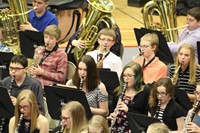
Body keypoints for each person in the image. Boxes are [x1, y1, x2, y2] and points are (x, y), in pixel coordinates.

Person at [107, 62, 150, 132]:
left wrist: (128, 110)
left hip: (133, 129)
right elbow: (112, 110)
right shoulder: (118, 91)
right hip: (116, 128)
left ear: (137, 77)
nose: (126, 79)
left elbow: (144, 118)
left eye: (129, 76)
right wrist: (111, 116)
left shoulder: (145, 92)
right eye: (124, 76)